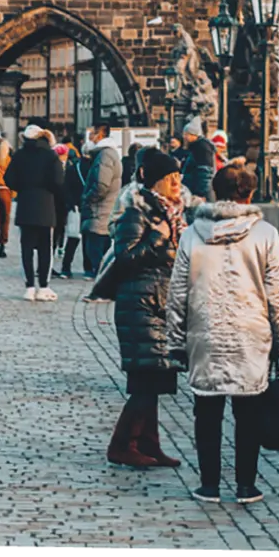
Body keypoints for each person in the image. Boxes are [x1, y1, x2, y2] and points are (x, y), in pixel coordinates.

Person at [166, 160, 279, 507]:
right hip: (250, 335)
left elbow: (178, 290)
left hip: (204, 332)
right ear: (250, 194)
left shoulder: (193, 234)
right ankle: (245, 486)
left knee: (206, 413)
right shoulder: (264, 234)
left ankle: (209, 485)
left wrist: (175, 340)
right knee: (248, 412)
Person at [93, 148, 185, 469]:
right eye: (171, 178)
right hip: (141, 305)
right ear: (156, 180)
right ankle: (121, 445)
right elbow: (126, 259)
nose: (177, 182)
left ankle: (148, 443)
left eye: (178, 176)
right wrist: (158, 240)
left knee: (157, 378)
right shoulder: (136, 212)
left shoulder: (169, 212)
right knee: (147, 380)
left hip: (159, 304)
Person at [4, 126, 64, 301]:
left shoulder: (20, 155)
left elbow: (8, 179)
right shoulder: (51, 156)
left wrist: (22, 188)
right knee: (46, 248)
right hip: (46, 205)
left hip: (25, 204)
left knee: (27, 248)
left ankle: (30, 287)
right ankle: (43, 286)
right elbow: (58, 181)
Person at [81, 127, 122, 276]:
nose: (90, 138)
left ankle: (103, 284)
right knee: (100, 250)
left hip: (99, 210)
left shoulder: (105, 156)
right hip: (104, 209)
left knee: (95, 251)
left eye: (92, 135)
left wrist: (88, 198)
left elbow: (101, 185)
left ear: (100, 135)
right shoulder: (108, 154)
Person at [53, 147, 85, 279]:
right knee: (73, 235)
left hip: (60, 205)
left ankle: (63, 262)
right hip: (70, 205)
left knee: (62, 233)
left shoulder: (68, 167)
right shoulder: (74, 166)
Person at [180, 117, 216, 204]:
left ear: (194, 135)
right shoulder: (196, 147)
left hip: (199, 194)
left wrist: (201, 193)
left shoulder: (202, 148)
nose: (184, 137)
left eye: (186, 134)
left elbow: (205, 173)